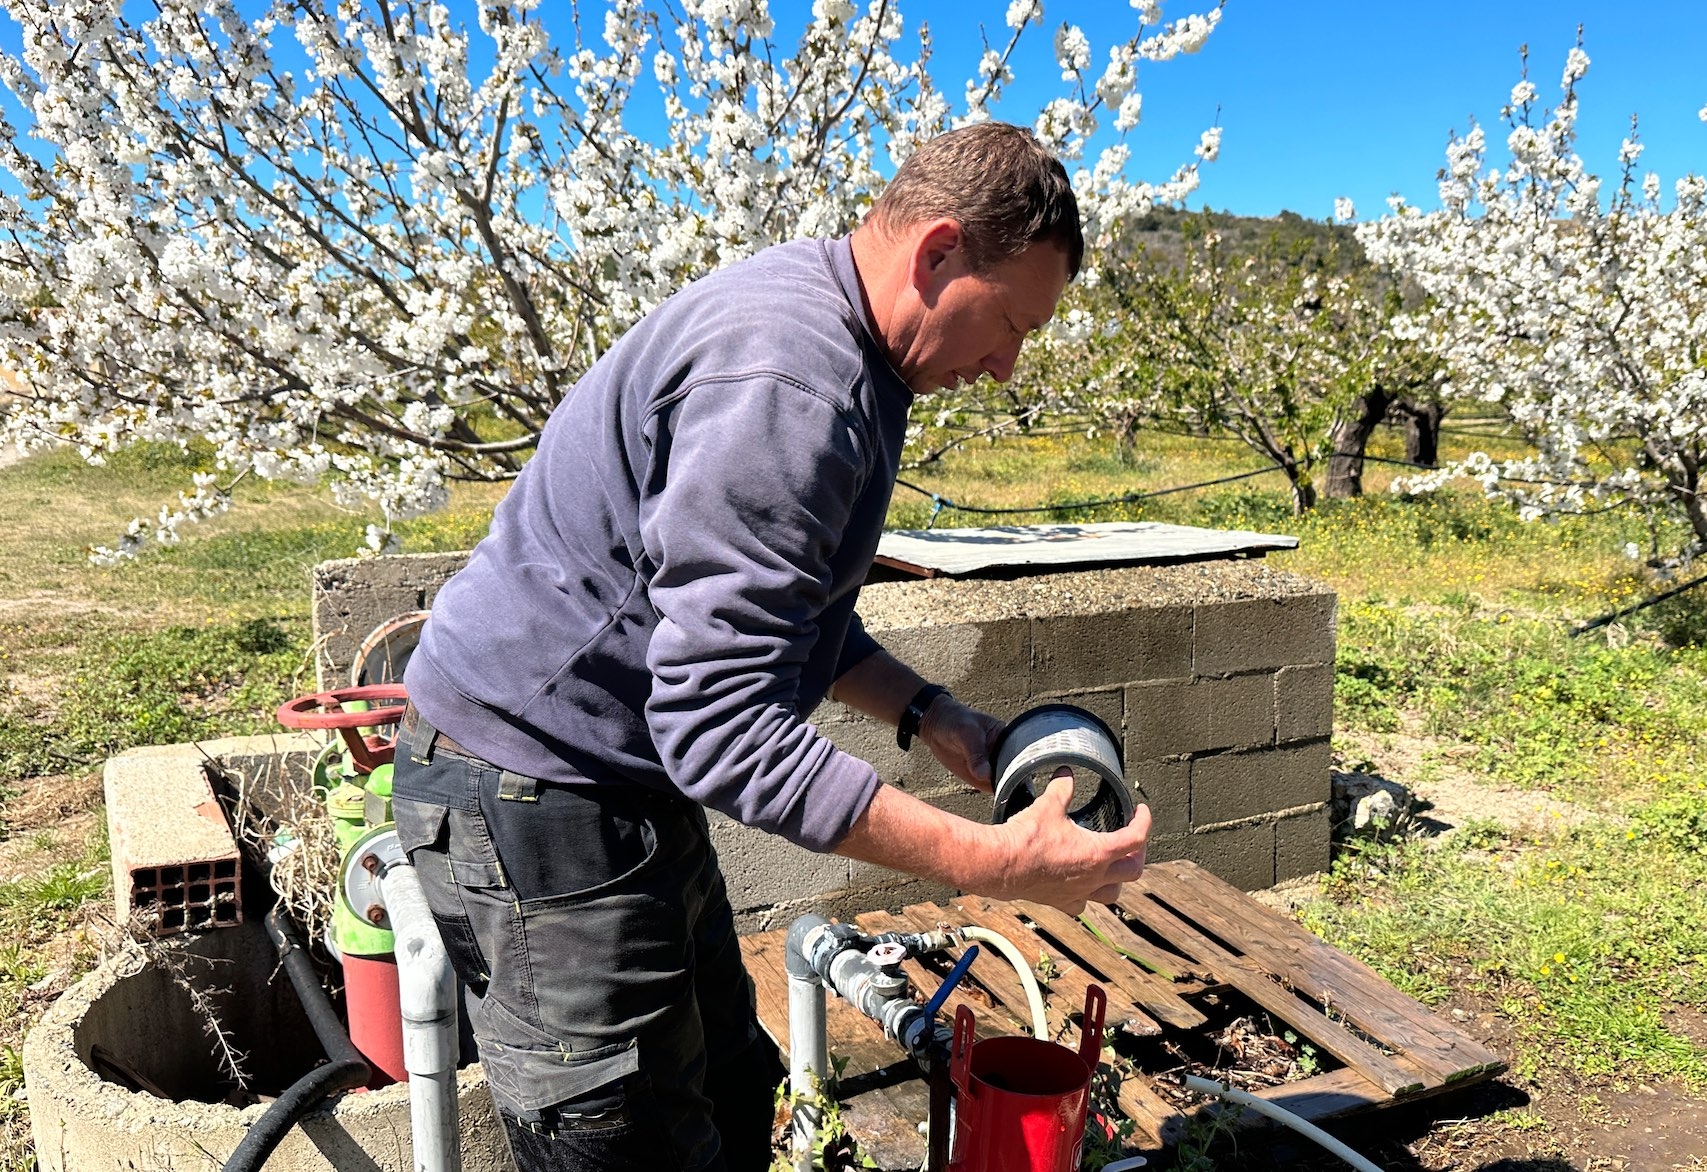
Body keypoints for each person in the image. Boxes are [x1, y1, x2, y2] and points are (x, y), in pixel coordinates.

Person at [389, 122, 1153, 1172]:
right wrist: (998, 861)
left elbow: (795, 616)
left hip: (610, 771)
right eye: (1011, 323)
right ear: (937, 253)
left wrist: (935, 717)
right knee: (625, 1143)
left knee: (732, 1086)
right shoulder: (794, 386)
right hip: (531, 789)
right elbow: (717, 725)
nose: (1008, 366)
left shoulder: (848, 340)